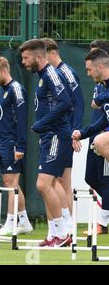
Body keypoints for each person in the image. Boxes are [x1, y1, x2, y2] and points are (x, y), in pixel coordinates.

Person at [19, 39, 73, 247]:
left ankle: (63, 233)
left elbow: (66, 102)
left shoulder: (51, 74)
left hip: (57, 134)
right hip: (49, 135)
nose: (23, 62)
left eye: (26, 58)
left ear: (38, 57)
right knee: (48, 185)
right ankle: (53, 234)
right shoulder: (43, 76)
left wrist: (41, 123)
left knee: (43, 184)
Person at [0, 56, 33, 236]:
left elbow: (22, 121)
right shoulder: (2, 90)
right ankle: (25, 222)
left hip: (13, 143)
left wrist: (20, 146)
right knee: (9, 182)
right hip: (3, 142)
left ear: (5, 70)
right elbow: (1, 120)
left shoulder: (16, 89)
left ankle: (10, 222)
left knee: (11, 184)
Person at [42, 38, 84, 231]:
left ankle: (67, 228)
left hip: (64, 132)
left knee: (58, 182)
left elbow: (78, 103)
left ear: (52, 53)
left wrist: (75, 132)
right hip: (53, 133)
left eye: (42, 55)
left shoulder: (65, 72)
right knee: (54, 181)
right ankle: (57, 230)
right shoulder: (50, 74)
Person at [72, 48, 109, 234]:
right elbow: (103, 120)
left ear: (100, 66)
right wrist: (82, 134)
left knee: (102, 141)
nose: (87, 73)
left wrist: (100, 99)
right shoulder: (105, 88)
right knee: (98, 140)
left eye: (89, 69)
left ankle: (102, 223)